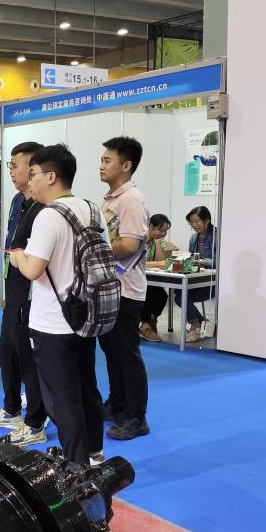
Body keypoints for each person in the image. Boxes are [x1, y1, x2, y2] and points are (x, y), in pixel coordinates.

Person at [9, 145, 106, 466]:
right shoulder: (92, 209)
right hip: (86, 315)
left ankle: (76, 466)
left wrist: (18, 257)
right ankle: (94, 454)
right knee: (87, 387)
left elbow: (33, 270)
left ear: (51, 177)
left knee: (62, 398)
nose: (30, 181)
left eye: (33, 174)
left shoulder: (48, 216)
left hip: (53, 321)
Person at [0, 142, 52, 445]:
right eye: (9, 164)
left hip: (32, 294)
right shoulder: (17, 202)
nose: (10, 170)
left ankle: (35, 423)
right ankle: (11, 410)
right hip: (13, 289)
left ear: (33, 169)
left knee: (28, 360)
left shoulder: (44, 209)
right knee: (6, 353)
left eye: (14, 164)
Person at [98, 136, 151, 441]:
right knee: (112, 353)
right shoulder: (111, 198)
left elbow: (129, 244)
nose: (102, 165)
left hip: (126, 291)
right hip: (110, 288)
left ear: (126, 165)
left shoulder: (132, 199)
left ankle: (136, 416)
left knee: (127, 354)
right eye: (102, 159)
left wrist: (95, 250)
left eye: (108, 160)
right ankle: (117, 404)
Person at [176, 205, 218, 342]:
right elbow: (191, 260)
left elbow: (222, 263)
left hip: (212, 284)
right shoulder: (194, 238)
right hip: (196, 280)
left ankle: (196, 325)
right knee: (179, 295)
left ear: (207, 220)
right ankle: (198, 323)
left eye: (197, 221)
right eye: (191, 222)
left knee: (181, 297)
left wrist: (203, 262)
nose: (194, 225)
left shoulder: (218, 236)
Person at [139, 213, 174, 342]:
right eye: (160, 230)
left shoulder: (155, 242)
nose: (163, 233)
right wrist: (158, 263)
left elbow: (161, 260)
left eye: (165, 231)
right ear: (151, 226)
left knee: (162, 295)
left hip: (146, 277)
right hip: (132, 278)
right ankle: (146, 325)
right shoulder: (140, 239)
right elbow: (139, 262)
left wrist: (161, 246)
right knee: (148, 293)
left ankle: (149, 322)